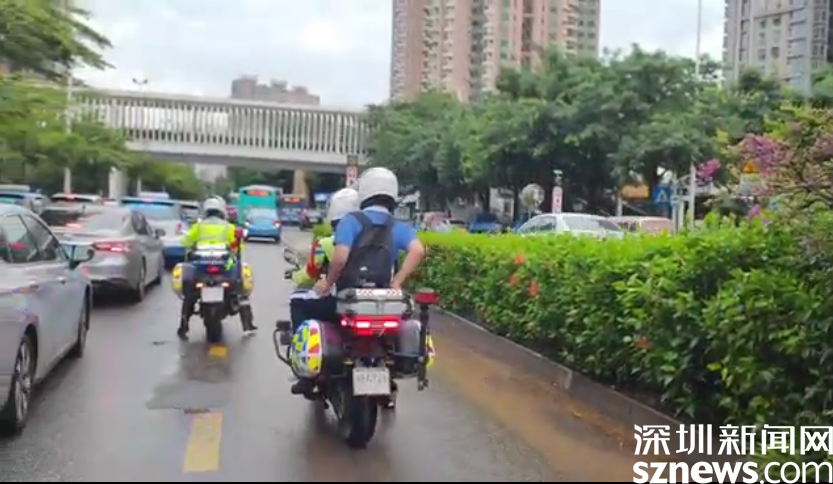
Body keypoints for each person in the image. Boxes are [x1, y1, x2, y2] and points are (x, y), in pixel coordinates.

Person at [289, 187, 360, 396]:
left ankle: (306, 375)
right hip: (372, 303)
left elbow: (310, 273)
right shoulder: (373, 240)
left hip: (339, 302)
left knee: (297, 301)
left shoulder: (325, 244)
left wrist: (296, 277)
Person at [313, 167, 425, 297]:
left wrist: (328, 282)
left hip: (349, 295)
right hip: (384, 294)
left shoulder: (350, 221)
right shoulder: (397, 226)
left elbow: (340, 259)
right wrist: (397, 282)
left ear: (364, 191)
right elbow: (418, 250)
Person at [179, 197, 256, 339]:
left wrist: (193, 246)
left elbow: (185, 242)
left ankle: (183, 326)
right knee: (240, 290)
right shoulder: (228, 227)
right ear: (222, 211)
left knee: (190, 296)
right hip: (224, 268)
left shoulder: (199, 227)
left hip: (202, 268)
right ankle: (247, 325)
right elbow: (237, 247)